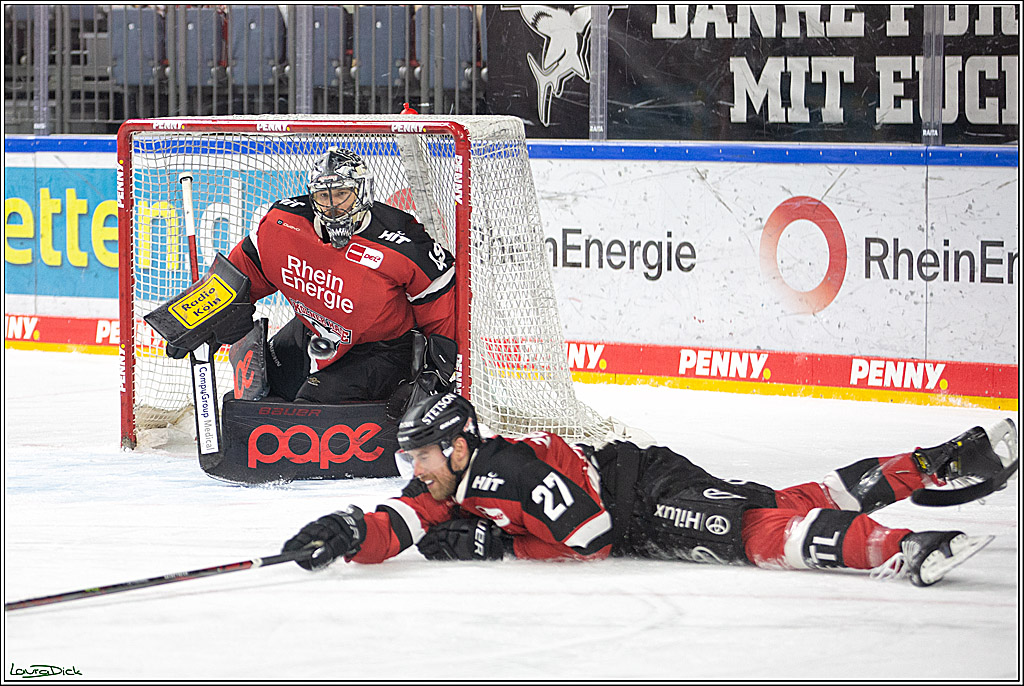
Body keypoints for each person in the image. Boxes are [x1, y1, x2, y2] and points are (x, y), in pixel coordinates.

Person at [282, 393, 1017, 587]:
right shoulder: (451, 480)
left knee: (755, 535)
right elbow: (403, 522)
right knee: (786, 504)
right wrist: (348, 532)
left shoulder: (506, 475)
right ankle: (947, 459)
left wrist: (499, 545)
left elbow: (593, 540)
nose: (415, 469)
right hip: (636, 481)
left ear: (457, 444)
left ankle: (905, 549)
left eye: (421, 454)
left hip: (637, 499)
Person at [170, 147, 457, 405]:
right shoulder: (283, 223)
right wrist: (202, 312)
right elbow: (245, 270)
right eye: (323, 195)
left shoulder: (403, 244)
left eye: (342, 194)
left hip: (382, 350)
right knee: (263, 384)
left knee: (310, 408)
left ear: (362, 192)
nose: (333, 205)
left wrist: (435, 374)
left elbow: (441, 310)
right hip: (313, 328)